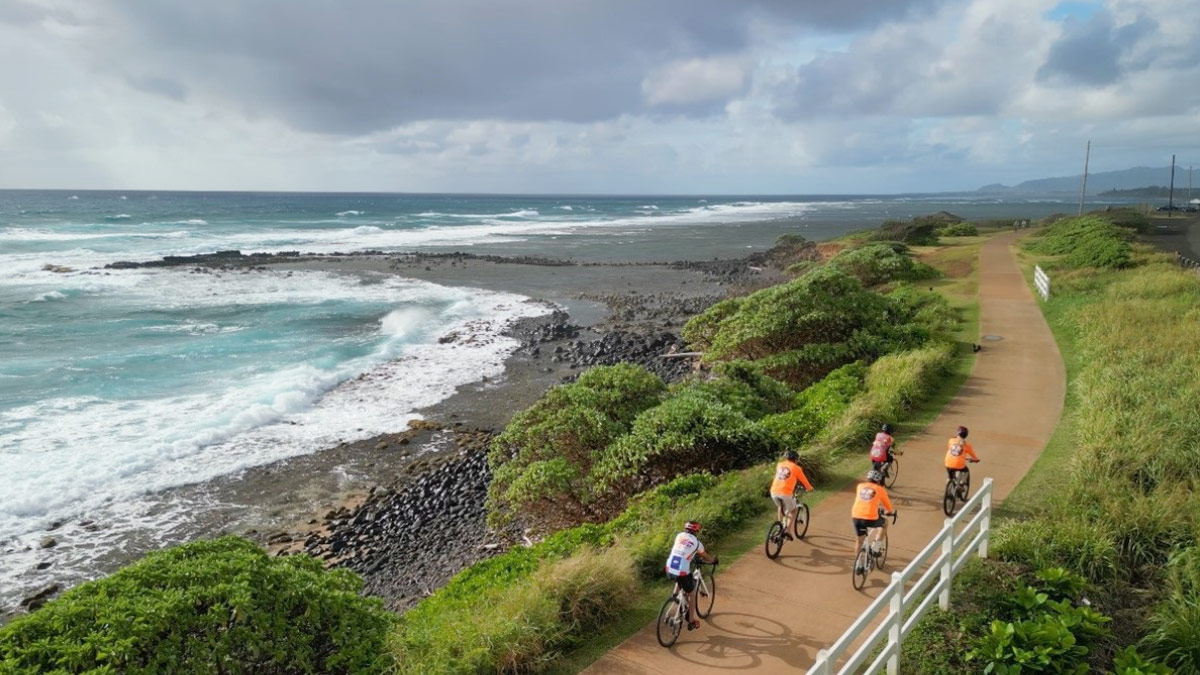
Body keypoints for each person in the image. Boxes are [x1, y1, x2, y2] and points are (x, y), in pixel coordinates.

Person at [664, 520, 718, 630]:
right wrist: (713, 560)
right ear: (697, 531)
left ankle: (674, 597)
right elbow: (705, 555)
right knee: (692, 593)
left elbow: (683, 549)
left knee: (679, 579)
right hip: (682, 570)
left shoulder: (679, 536)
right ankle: (692, 621)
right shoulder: (697, 543)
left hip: (669, 567)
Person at [851, 469, 894, 572]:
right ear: (879, 481)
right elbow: (889, 507)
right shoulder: (880, 489)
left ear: (867, 478)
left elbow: (864, 500)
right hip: (870, 518)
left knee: (859, 540)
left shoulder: (859, 486)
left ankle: (858, 564)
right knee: (885, 523)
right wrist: (890, 512)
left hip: (856, 516)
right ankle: (875, 547)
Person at [770, 449, 815, 540]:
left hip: (774, 491)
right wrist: (809, 488)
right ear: (795, 459)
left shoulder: (779, 465)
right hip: (785, 493)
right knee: (793, 510)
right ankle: (788, 532)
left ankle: (779, 526)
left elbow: (784, 478)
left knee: (781, 506)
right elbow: (804, 480)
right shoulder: (796, 468)